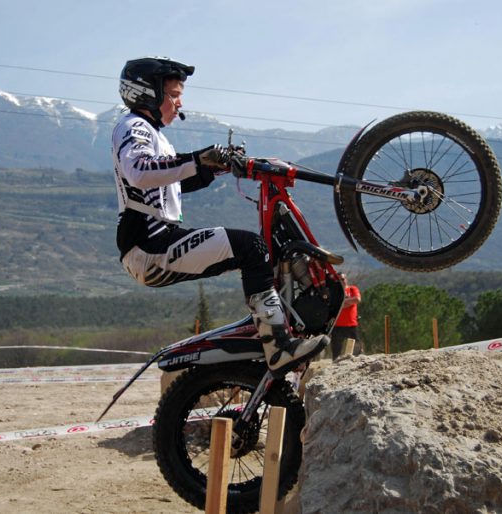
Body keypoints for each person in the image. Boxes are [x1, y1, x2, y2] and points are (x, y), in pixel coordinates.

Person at [111, 56, 327, 376]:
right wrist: (199, 158)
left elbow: (174, 181)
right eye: (173, 94)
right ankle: (278, 345)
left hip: (154, 243)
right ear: (148, 93)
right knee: (251, 248)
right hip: (149, 245)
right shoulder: (133, 126)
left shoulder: (154, 134)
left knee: (259, 251)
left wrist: (216, 167)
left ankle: (273, 330)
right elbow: (140, 171)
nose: (179, 102)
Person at [330, 274, 361, 359]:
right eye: (339, 279)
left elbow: (357, 299)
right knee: (336, 351)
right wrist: (349, 303)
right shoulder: (334, 292)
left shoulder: (352, 289)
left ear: (346, 279)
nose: (341, 281)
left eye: (343, 279)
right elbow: (332, 305)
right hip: (337, 326)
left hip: (351, 325)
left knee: (356, 349)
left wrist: (341, 303)